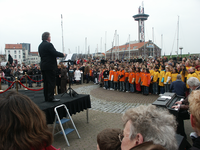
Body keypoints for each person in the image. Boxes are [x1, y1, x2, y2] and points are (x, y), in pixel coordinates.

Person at [38, 32, 65, 102]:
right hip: (50, 66)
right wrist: (63, 54)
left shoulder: (40, 45)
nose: (50, 38)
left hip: (44, 66)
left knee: (46, 82)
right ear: (48, 37)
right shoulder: (49, 45)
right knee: (51, 82)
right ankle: (51, 97)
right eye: (50, 37)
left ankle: (46, 97)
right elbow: (54, 53)